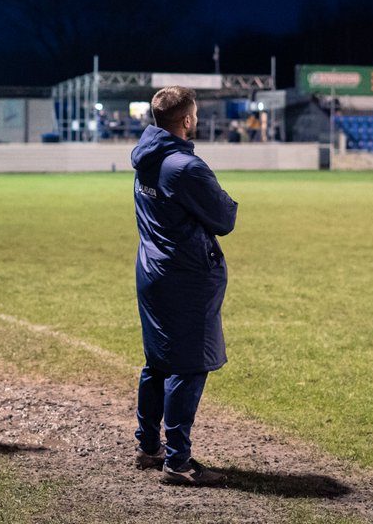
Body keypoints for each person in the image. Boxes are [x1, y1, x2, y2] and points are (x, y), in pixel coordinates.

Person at [132, 86, 238, 486]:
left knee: (158, 362)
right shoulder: (185, 167)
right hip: (186, 276)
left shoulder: (146, 159)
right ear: (188, 120)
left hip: (153, 270)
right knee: (188, 365)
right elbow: (224, 218)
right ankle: (177, 462)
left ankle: (148, 445)